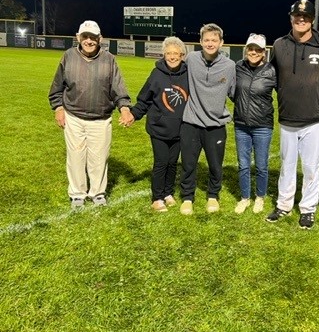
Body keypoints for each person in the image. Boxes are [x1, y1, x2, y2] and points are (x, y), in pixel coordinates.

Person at [48, 20, 131, 208]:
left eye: (92, 37)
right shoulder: (68, 56)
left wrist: (124, 109)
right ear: (78, 37)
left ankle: (97, 193)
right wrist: (58, 109)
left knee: (99, 158)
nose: (88, 41)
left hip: (101, 119)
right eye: (85, 36)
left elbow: (118, 88)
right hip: (73, 117)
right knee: (76, 156)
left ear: (99, 39)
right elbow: (56, 87)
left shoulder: (109, 59)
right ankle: (77, 194)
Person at [267, 0, 319, 229]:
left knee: (311, 167)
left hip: (314, 118)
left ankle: (308, 209)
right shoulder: (278, 45)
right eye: (297, 15)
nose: (301, 19)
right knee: (286, 164)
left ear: (312, 19)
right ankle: (283, 205)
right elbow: (271, 76)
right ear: (291, 17)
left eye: (306, 16)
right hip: (287, 118)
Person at [119, 37, 188, 212]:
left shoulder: (188, 74)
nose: (172, 57)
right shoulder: (156, 74)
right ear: (164, 54)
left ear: (182, 54)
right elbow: (144, 99)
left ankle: (167, 193)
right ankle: (157, 198)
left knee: (173, 162)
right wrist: (133, 115)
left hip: (180, 128)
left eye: (176, 53)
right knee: (161, 162)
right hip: (159, 128)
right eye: (169, 53)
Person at [179, 23, 236, 215]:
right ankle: (187, 197)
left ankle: (213, 195)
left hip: (216, 125)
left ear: (221, 42)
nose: (210, 43)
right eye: (206, 40)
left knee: (215, 165)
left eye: (214, 40)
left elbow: (235, 93)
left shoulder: (229, 66)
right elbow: (172, 68)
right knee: (188, 164)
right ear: (200, 41)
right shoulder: (191, 59)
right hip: (191, 122)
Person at [233, 33, 277, 215]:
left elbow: (284, 93)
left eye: (257, 49)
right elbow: (230, 89)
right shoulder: (237, 67)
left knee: (261, 165)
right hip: (241, 124)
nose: (253, 52)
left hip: (262, 126)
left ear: (263, 52)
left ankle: (260, 196)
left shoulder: (272, 71)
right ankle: (245, 198)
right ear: (246, 50)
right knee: (243, 164)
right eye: (250, 49)